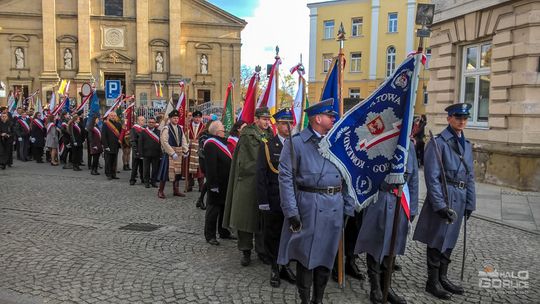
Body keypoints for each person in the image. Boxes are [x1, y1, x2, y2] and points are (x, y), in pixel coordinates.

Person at [277, 98, 355, 304]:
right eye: (330, 116)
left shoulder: (338, 143)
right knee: (306, 258)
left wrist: (347, 207)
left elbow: (347, 177)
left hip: (334, 207)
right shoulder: (296, 144)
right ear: (317, 119)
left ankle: (318, 300)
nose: (333, 119)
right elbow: (285, 179)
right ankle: (305, 300)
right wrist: (291, 212)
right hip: (308, 206)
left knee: (326, 257)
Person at [413, 103, 476, 300]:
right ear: (449, 119)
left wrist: (470, 202)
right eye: (458, 117)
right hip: (444, 196)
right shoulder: (438, 143)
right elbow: (431, 177)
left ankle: (443, 277)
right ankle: (432, 282)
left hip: (460, 196)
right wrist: (439, 205)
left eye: (465, 118)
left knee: (450, 240)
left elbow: (470, 176)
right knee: (437, 239)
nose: (462, 121)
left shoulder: (467, 144)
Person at [354, 142, 419, 304]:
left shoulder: (408, 145)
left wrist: (413, 209)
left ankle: (386, 287)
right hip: (379, 199)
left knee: (393, 245)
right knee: (376, 244)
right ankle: (375, 287)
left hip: (401, 201)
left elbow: (414, 180)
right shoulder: (381, 141)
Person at [223, 107, 274, 267]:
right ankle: (245, 250)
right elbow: (245, 161)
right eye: (264, 119)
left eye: (268, 119)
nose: (267, 122)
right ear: (256, 119)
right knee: (246, 217)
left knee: (262, 217)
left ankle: (262, 250)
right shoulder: (247, 135)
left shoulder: (269, 134)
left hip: (263, 181)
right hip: (247, 181)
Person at [256, 109, 297, 288]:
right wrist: (263, 201)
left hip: (293, 199)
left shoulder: (297, 145)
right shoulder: (268, 145)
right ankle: (274, 267)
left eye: (290, 123)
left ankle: (285, 265)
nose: (287, 127)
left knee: (289, 234)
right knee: (272, 234)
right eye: (283, 123)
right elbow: (261, 175)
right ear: (277, 125)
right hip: (274, 198)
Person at [203, 120, 235, 245]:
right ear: (217, 132)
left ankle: (223, 231)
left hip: (225, 182)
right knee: (213, 210)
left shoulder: (222, 142)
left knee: (223, 209)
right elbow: (211, 166)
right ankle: (210, 235)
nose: (225, 131)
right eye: (223, 130)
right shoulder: (210, 144)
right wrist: (213, 184)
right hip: (216, 183)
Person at [156, 110, 189, 199]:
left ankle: (176, 190)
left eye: (177, 118)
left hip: (178, 152)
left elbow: (183, 139)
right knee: (165, 172)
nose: (176, 119)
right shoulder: (166, 128)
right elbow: (164, 142)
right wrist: (172, 152)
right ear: (170, 119)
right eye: (174, 118)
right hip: (169, 154)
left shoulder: (180, 128)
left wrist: (186, 150)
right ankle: (160, 191)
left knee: (177, 171)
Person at [195, 120, 216, 210]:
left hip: (210, 160)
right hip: (204, 160)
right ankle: (201, 199)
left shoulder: (213, 135)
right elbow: (203, 149)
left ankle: (201, 199)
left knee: (209, 181)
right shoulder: (204, 135)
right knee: (209, 180)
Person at [139, 117, 161, 188]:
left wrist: (161, 153)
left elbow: (161, 143)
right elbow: (140, 143)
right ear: (147, 123)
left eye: (152, 122)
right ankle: (146, 182)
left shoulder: (158, 132)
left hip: (156, 153)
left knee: (155, 169)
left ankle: (153, 182)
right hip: (146, 153)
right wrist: (141, 153)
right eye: (150, 122)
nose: (151, 123)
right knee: (146, 169)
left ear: (155, 123)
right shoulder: (143, 131)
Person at [186, 110, 205, 192]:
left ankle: (201, 185)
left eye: (199, 117)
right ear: (193, 118)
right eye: (196, 117)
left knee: (200, 168)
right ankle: (190, 185)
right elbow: (184, 137)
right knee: (188, 167)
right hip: (190, 149)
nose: (197, 119)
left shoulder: (204, 127)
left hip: (199, 149)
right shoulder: (187, 126)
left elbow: (205, 137)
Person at [102, 112, 122, 180]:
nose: (113, 117)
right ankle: (108, 174)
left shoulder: (119, 124)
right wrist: (106, 146)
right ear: (109, 116)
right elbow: (103, 136)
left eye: (114, 115)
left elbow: (121, 134)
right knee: (108, 161)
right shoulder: (106, 124)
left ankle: (114, 174)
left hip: (115, 145)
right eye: (111, 115)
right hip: (108, 145)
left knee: (114, 161)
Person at [129, 116, 145, 185]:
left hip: (143, 151)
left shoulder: (143, 129)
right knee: (135, 166)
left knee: (142, 166)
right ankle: (132, 180)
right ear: (138, 121)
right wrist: (136, 150)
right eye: (141, 120)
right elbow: (132, 140)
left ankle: (143, 178)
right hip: (137, 151)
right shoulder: (134, 129)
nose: (143, 122)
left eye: (143, 120)